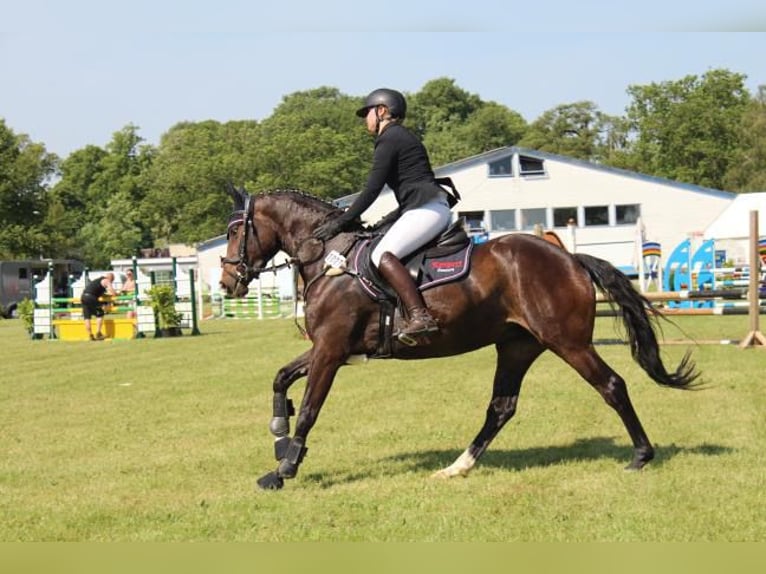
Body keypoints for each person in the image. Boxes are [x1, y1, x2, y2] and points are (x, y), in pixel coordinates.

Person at [313, 88, 454, 345]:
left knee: (381, 256)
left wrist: (341, 223)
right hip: (423, 207)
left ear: (382, 111)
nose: (365, 120)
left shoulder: (389, 139)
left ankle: (420, 316)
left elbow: (371, 191)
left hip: (427, 209)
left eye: (367, 113)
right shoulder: (399, 137)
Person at [81, 272, 117, 340]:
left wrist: (106, 296)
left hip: (83, 296)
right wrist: (116, 294)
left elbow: (98, 293)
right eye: (112, 281)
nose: (111, 282)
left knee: (87, 317)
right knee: (100, 312)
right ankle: (98, 333)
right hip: (91, 297)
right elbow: (112, 291)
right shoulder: (107, 280)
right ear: (111, 278)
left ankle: (90, 335)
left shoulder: (98, 281)